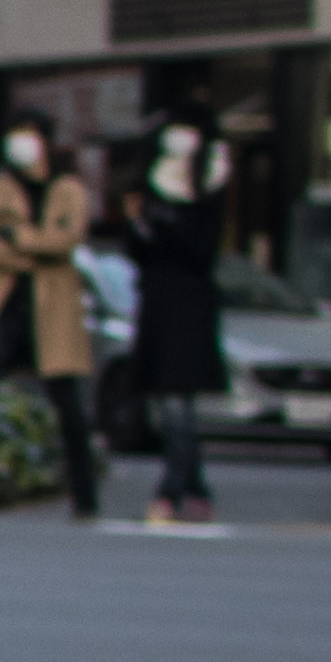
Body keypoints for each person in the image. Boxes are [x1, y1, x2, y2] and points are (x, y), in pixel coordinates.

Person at [0, 115, 101, 518]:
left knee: (69, 406)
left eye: (27, 136)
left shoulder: (67, 188)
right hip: (2, 306)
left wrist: (17, 238)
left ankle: (85, 497)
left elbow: (67, 240)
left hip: (51, 309)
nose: (19, 145)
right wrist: (35, 254)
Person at [129, 114, 234, 525]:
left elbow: (201, 250)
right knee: (169, 405)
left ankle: (171, 491)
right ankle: (195, 488)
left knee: (178, 404)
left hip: (189, 309)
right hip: (157, 305)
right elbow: (137, 249)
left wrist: (164, 227)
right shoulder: (153, 183)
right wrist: (143, 227)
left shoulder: (210, 184)